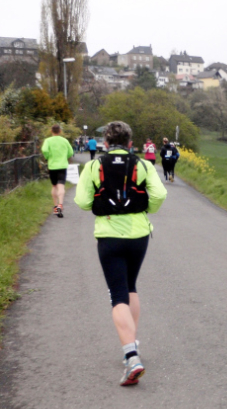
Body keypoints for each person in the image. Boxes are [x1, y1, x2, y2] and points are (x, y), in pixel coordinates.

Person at [74, 121, 167, 386]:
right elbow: (159, 195)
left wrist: (100, 203)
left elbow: (82, 201)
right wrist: (145, 208)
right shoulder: (143, 164)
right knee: (130, 286)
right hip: (139, 235)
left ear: (105, 143)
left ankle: (131, 357)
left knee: (117, 294)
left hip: (109, 234)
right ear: (130, 143)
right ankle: (132, 342)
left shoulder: (94, 166)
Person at [41, 124, 74, 218]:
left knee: (54, 186)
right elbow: (71, 152)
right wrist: (65, 157)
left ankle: (55, 206)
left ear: (51, 131)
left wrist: (48, 157)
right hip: (62, 166)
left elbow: (44, 150)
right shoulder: (64, 141)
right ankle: (60, 204)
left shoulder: (48, 140)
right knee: (61, 185)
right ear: (60, 131)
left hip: (52, 166)